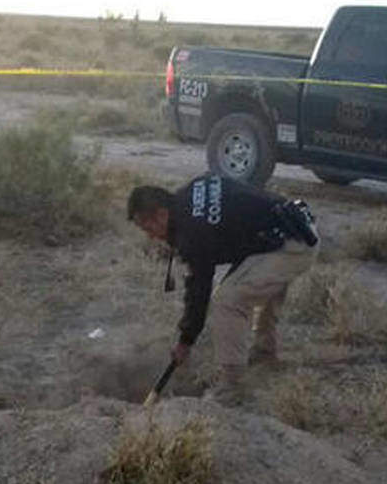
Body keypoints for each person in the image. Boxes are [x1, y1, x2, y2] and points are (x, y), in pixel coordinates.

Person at [127, 173, 319, 405]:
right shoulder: (189, 196)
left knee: (228, 300)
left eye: (148, 228)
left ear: (161, 214)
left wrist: (185, 340)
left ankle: (231, 386)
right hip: (285, 231)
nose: (151, 236)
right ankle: (264, 353)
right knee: (252, 283)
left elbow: (199, 289)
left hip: (292, 244)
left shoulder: (192, 231)